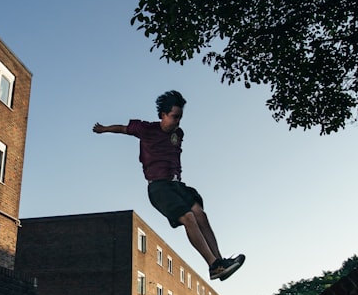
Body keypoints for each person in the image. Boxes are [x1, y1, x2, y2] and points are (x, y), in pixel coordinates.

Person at [93, 90, 244, 281]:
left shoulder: (178, 134)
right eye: (174, 117)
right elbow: (123, 129)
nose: (177, 122)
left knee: (200, 214)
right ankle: (213, 265)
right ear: (163, 115)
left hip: (177, 186)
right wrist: (104, 128)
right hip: (158, 188)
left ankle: (220, 262)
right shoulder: (146, 129)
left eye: (180, 117)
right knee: (189, 217)